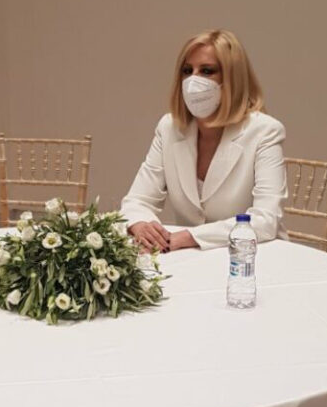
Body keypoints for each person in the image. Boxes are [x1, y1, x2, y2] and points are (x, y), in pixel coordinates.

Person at [120, 28, 287, 252]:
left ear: (232, 79)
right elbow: (137, 201)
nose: (193, 80)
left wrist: (189, 237)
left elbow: (265, 220)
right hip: (189, 258)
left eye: (207, 71)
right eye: (187, 71)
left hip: (253, 257)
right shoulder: (169, 128)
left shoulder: (264, 131)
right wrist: (140, 224)